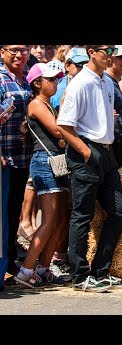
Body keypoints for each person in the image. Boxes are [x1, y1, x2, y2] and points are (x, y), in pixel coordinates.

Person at [57, 45, 122, 292]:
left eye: (112, 48)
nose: (110, 53)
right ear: (91, 51)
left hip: (105, 152)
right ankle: (80, 275)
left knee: (119, 211)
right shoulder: (80, 83)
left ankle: (100, 270)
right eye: (106, 49)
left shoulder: (106, 82)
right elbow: (64, 125)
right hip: (87, 150)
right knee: (82, 215)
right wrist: (86, 151)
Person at [13, 62, 69, 288]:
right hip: (45, 164)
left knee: (59, 219)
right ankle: (26, 270)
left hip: (54, 163)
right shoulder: (36, 104)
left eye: (57, 79)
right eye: (51, 79)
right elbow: (58, 131)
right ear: (37, 83)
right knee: (49, 220)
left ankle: (43, 269)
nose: (56, 82)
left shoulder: (47, 104)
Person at [0, 45, 33, 278]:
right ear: (2, 52)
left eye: (23, 50)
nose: (19, 55)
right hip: (4, 155)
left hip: (23, 155)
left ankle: (9, 259)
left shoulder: (28, 79)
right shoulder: (1, 79)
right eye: (13, 50)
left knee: (14, 210)